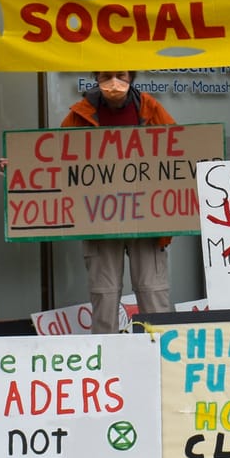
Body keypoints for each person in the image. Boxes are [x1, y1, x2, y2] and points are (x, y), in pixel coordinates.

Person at [62, 69, 176, 332]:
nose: (114, 82)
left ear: (131, 77)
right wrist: (22, 164)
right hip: (99, 220)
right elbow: (56, 156)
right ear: (96, 78)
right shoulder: (79, 115)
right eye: (106, 76)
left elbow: (179, 151)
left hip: (148, 218)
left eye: (120, 75)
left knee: (154, 296)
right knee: (104, 298)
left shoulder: (151, 109)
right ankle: (109, 367)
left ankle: (161, 362)